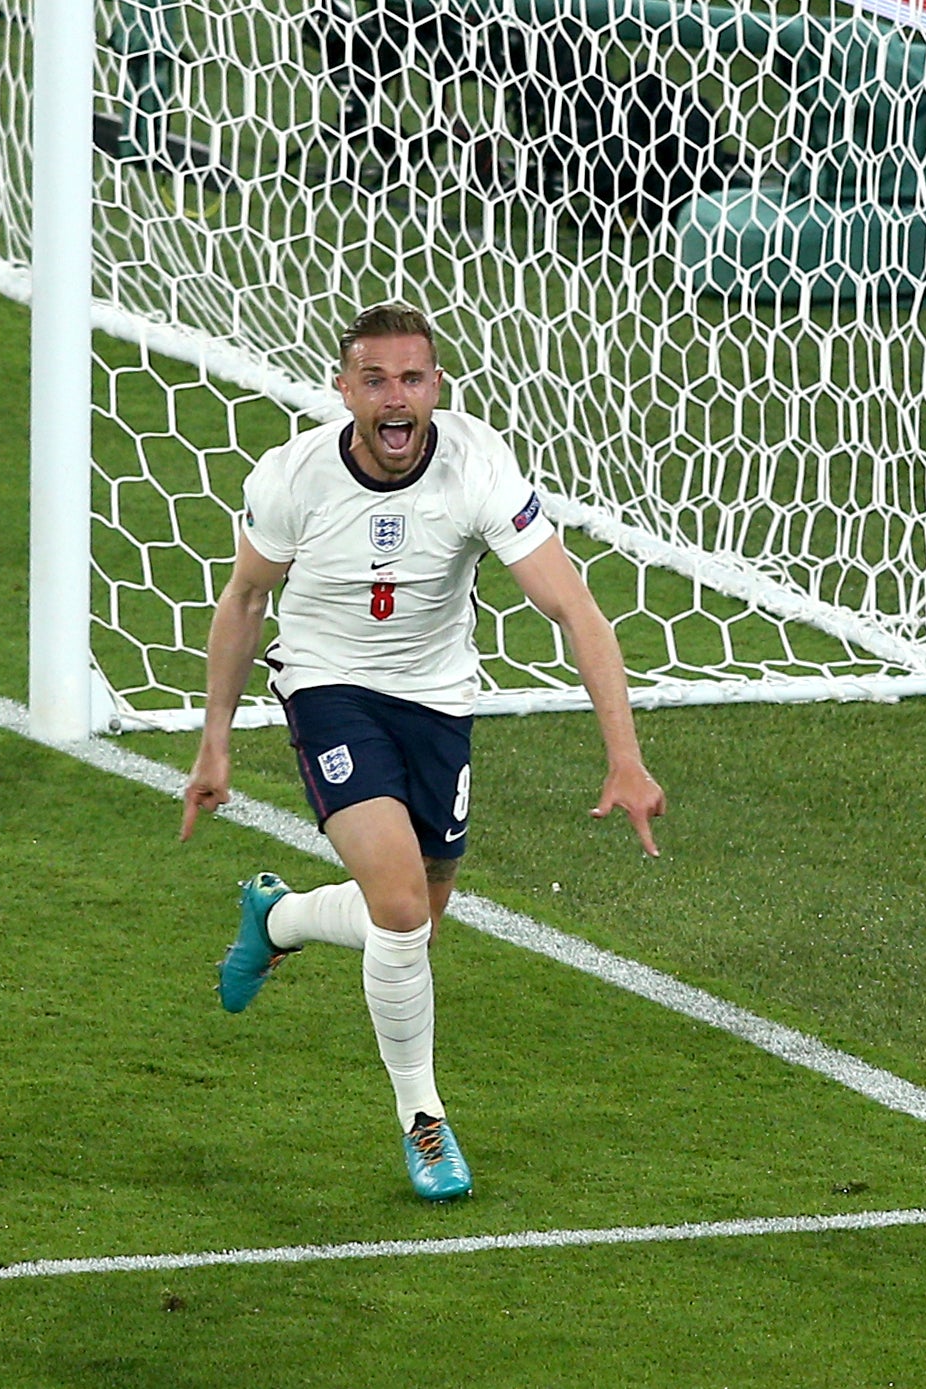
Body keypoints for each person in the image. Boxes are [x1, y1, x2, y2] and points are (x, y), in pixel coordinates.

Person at [179, 303, 665, 1201]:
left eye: (413, 379)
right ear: (344, 391)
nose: (396, 398)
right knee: (400, 911)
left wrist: (625, 758)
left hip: (439, 700)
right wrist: (216, 741)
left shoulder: (477, 466)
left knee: (414, 925)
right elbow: (246, 600)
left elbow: (575, 610)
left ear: (436, 387)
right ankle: (424, 1120)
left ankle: (277, 921)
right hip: (328, 687)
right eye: (375, 380)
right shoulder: (293, 478)